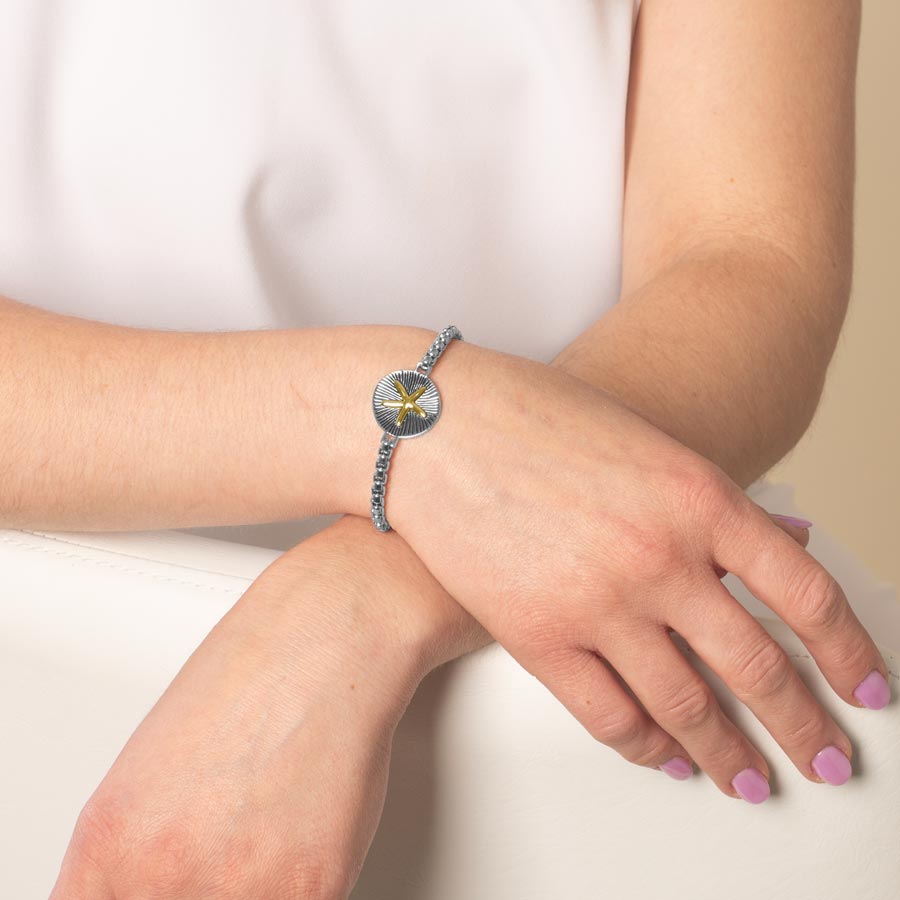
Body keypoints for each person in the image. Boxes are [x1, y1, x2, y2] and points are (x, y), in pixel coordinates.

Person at [0, 0, 891, 897]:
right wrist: (424, 441)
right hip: (36, 669)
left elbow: (750, 254)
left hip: (595, 646)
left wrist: (353, 598)